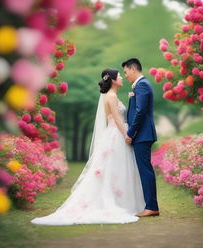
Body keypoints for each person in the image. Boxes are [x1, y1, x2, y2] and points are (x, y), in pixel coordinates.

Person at [31, 68, 145, 225]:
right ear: (112, 80)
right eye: (119, 76)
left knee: (118, 168)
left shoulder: (112, 95)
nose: (122, 78)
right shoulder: (110, 96)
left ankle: (123, 201)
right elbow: (117, 119)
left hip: (115, 133)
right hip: (117, 134)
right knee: (115, 168)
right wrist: (126, 135)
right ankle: (117, 202)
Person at [122, 58, 159, 217]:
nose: (125, 76)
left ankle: (152, 207)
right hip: (142, 134)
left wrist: (130, 132)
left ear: (133, 69)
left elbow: (140, 111)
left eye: (125, 72)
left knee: (145, 171)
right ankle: (151, 205)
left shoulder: (142, 84)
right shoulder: (140, 85)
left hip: (142, 135)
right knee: (145, 170)